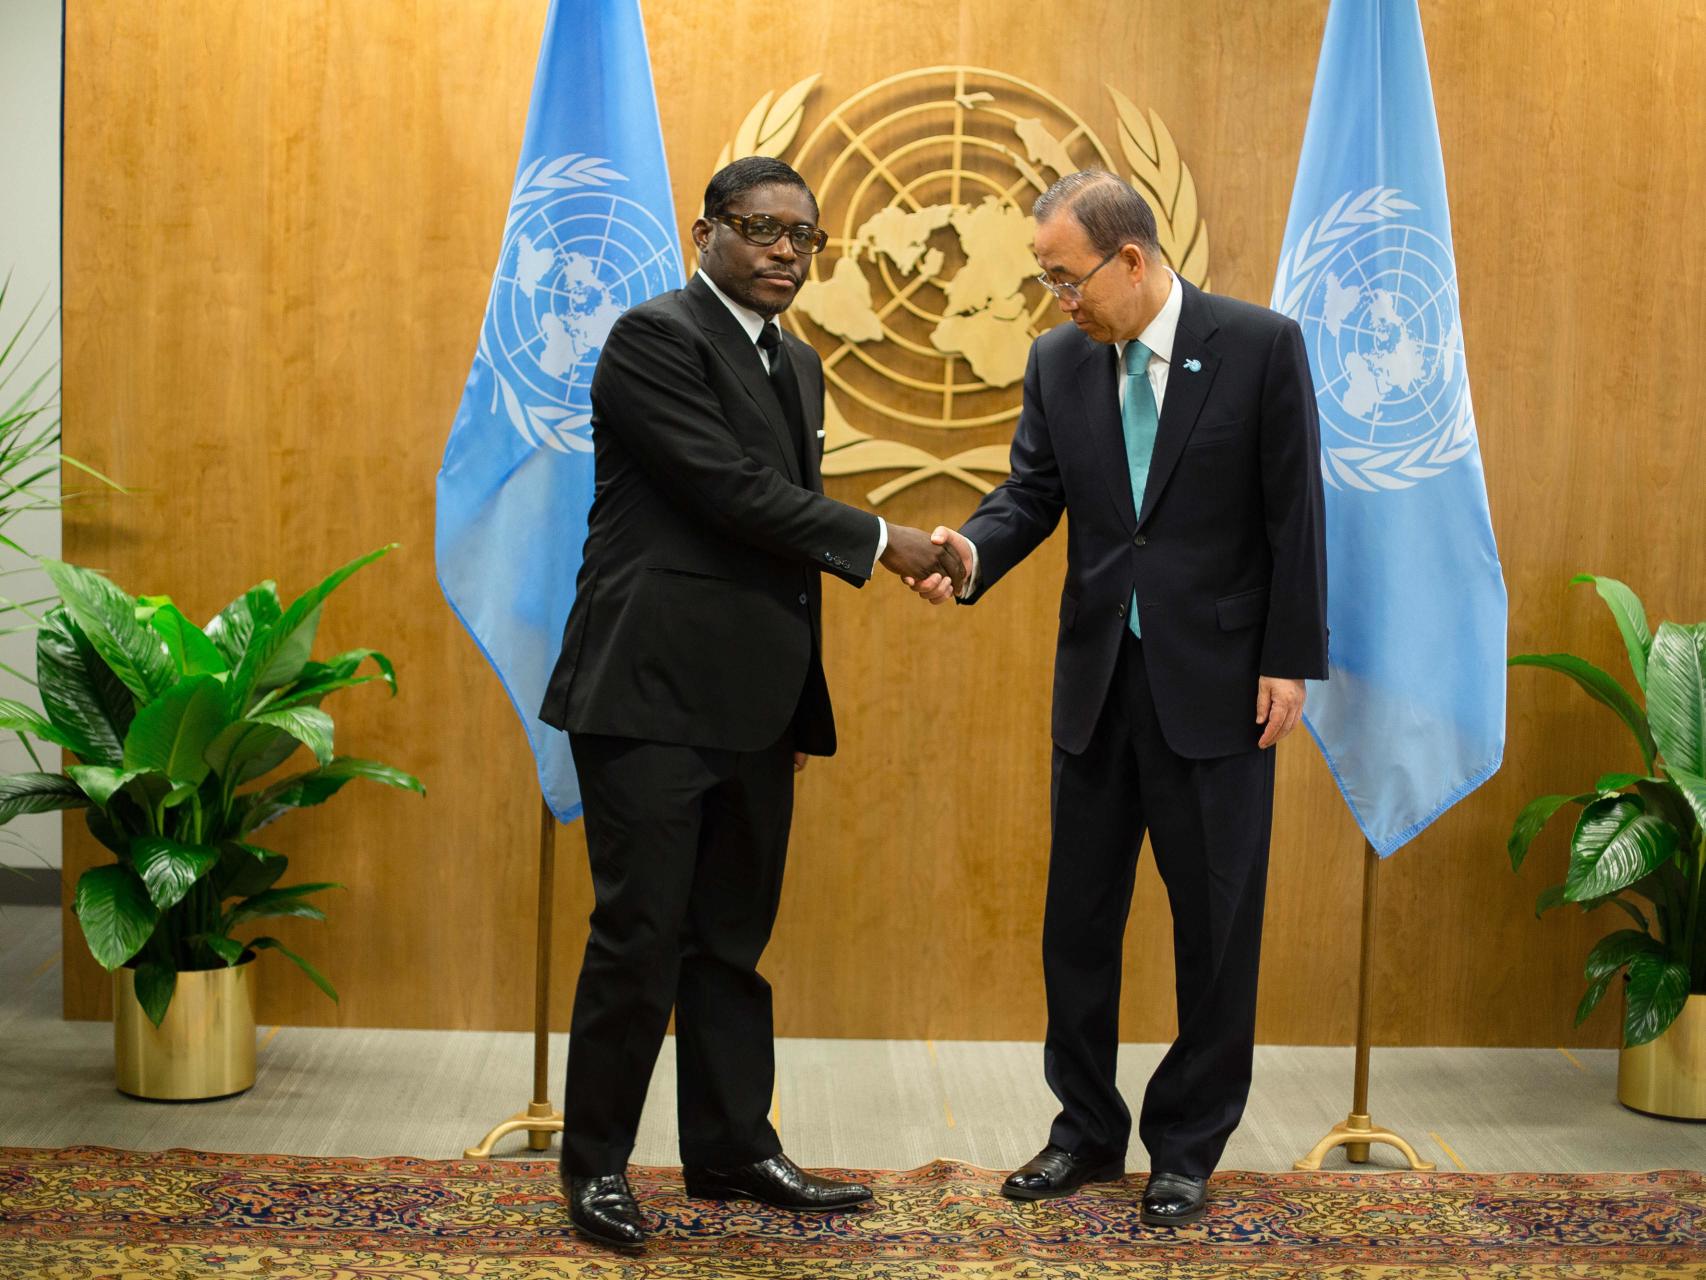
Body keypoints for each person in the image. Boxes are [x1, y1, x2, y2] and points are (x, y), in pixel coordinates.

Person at [538, 156, 963, 1250]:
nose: (784, 250)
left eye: (803, 237)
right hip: (646, 694)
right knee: (639, 936)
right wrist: (886, 540)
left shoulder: (801, 362)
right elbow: (731, 492)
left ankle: (729, 1146)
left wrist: (788, 702)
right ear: (705, 232)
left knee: (729, 939)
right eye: (761, 228)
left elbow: (775, 532)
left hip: (751, 705)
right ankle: (593, 1168)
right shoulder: (653, 338)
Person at [913, 170, 1327, 1226]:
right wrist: (968, 551)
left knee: (1214, 927)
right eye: (1046, 280)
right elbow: (1032, 493)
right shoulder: (1059, 360)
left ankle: (1185, 1144)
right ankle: (1085, 1131)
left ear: (1130, 260)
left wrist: (1290, 659)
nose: (1056, 299)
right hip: (1098, 682)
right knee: (1077, 923)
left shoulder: (1258, 344)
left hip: (1222, 686)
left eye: (1065, 277)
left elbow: (1296, 512)